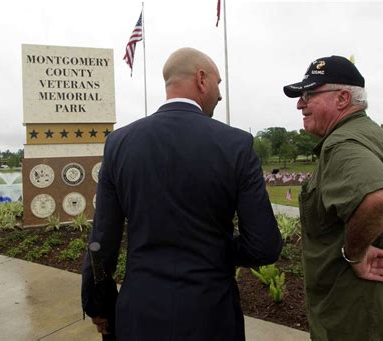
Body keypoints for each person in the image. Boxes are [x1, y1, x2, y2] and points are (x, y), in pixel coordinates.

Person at [82, 47, 283, 340]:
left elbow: (102, 239)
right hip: (211, 313)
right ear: (202, 79)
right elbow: (264, 246)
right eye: (218, 83)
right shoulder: (236, 145)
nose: (220, 95)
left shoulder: (119, 143)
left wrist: (97, 303)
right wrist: (215, 249)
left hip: (140, 312)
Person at [283, 55, 383, 340]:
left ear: (342, 98)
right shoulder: (369, 133)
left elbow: (378, 198)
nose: (300, 103)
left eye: (308, 94)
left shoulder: (343, 144)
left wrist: (354, 253)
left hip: (369, 315)